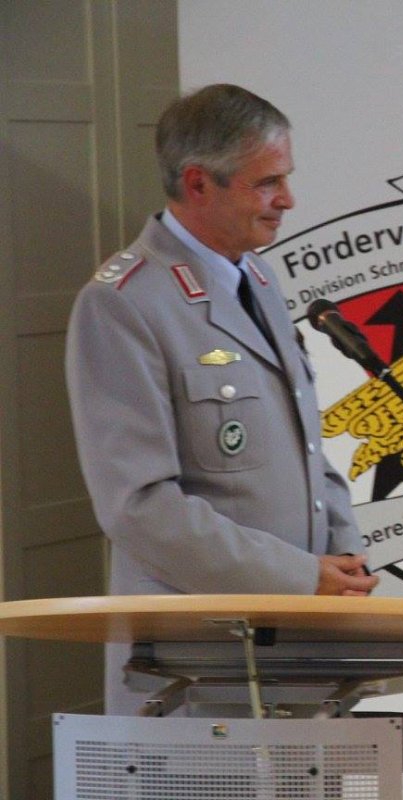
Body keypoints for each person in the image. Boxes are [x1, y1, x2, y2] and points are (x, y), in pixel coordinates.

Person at [66, 84, 378, 714]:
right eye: (267, 183)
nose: (287, 200)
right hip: (200, 665)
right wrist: (299, 578)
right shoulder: (123, 303)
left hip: (298, 649)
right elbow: (139, 507)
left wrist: (342, 553)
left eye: (285, 179)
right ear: (198, 183)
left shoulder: (257, 277)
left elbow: (306, 449)